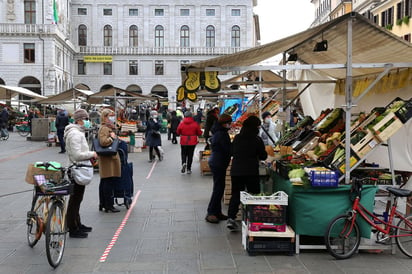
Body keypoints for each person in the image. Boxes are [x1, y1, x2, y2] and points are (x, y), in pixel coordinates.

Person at [226, 115, 267, 231]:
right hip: (251, 171)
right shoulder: (257, 140)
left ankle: (231, 218)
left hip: (237, 170)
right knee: (253, 194)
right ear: (255, 127)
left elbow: (232, 151)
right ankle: (252, 218)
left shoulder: (238, 138)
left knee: (236, 194)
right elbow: (263, 155)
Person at [64, 109, 97, 238]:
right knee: (75, 200)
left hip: (77, 168)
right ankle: (73, 228)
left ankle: (77, 223)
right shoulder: (75, 134)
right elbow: (77, 154)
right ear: (79, 120)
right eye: (86, 119)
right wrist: (92, 154)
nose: (88, 122)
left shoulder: (77, 132)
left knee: (77, 198)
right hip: (76, 169)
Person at [205, 114, 232, 223]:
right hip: (218, 162)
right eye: (229, 123)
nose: (230, 125)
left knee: (220, 187)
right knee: (218, 188)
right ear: (224, 123)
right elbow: (227, 149)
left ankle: (217, 212)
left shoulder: (219, 132)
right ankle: (211, 212)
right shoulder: (221, 134)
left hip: (217, 161)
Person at [98, 109, 121, 213]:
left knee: (105, 181)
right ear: (105, 117)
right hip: (108, 159)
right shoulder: (104, 128)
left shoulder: (108, 127)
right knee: (108, 182)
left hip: (108, 158)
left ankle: (103, 203)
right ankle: (108, 205)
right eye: (110, 116)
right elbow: (103, 142)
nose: (112, 118)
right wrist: (112, 138)